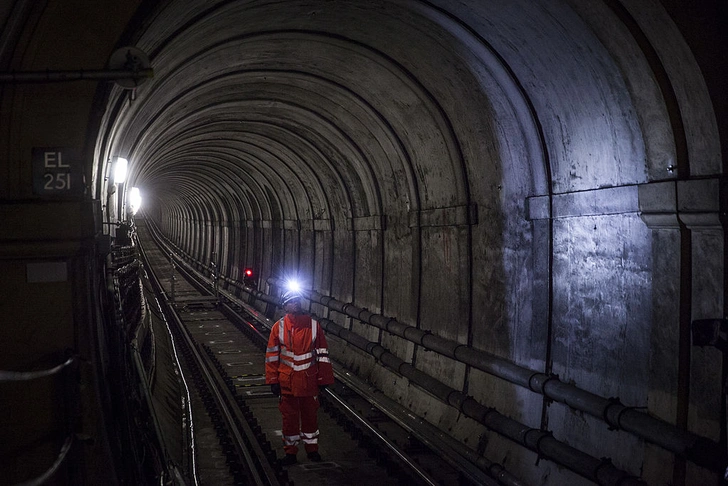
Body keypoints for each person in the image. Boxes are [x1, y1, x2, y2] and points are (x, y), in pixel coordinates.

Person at [265, 289, 334, 466]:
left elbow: (322, 354)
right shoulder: (278, 327)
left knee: (310, 416)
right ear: (284, 305)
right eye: (290, 302)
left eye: (296, 301)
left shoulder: (313, 326)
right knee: (289, 418)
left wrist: (324, 379)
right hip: (287, 382)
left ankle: (312, 450)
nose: (294, 304)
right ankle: (291, 453)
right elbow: (272, 356)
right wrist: (272, 381)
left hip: (308, 381)